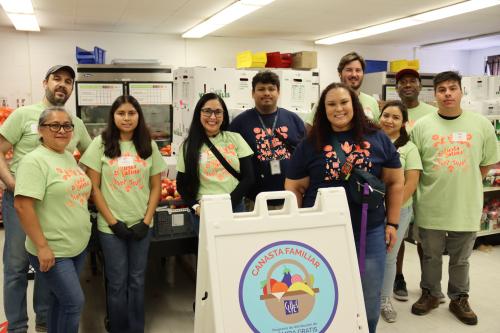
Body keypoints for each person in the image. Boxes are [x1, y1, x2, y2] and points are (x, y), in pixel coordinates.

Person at [285, 82, 404, 333]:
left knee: (369, 300)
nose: (338, 109)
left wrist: (392, 223)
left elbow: (395, 182)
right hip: (321, 234)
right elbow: (294, 187)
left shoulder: (378, 138)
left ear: (354, 105)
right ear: (323, 109)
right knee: (324, 295)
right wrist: (297, 226)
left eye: (344, 102)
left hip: (369, 231)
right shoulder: (310, 144)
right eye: (331, 104)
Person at [0, 65, 91, 333]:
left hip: (57, 205)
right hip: (22, 202)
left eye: (68, 82)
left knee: (46, 267)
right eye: (57, 79)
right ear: (45, 83)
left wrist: (78, 177)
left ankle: (44, 322)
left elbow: (91, 152)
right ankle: (17, 327)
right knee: (17, 267)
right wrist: (13, 184)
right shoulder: (23, 115)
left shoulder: (75, 125)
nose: (62, 85)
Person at [410, 71, 498, 325]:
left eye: (452, 88)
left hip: (465, 204)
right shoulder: (423, 126)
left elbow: (487, 164)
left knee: (461, 258)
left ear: (461, 92)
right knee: (430, 255)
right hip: (430, 204)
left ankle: (459, 298)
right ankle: (431, 293)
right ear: (435, 95)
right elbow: (414, 166)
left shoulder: (481, 124)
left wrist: (465, 180)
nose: (447, 93)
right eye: (442, 90)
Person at [80, 95, 166, 333]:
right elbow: (93, 187)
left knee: (137, 281)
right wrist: (113, 222)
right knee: (117, 283)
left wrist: (146, 221)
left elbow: (156, 186)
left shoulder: (148, 144)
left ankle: (136, 328)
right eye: (121, 113)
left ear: (139, 116)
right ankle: (118, 328)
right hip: (111, 229)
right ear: (113, 116)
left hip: (142, 226)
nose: (127, 118)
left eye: (131, 113)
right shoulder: (100, 143)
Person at [176, 93, 254, 234]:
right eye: (207, 111)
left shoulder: (235, 139)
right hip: (204, 212)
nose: (212, 117)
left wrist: (228, 204)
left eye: (218, 112)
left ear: (224, 115)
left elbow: (249, 177)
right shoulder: (188, 146)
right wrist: (195, 207)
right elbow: (181, 185)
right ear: (198, 113)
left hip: (234, 208)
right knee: (209, 254)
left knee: (237, 251)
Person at [392, 68, 437, 302]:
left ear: (420, 85)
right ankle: (398, 277)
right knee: (397, 234)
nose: (408, 85)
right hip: (400, 183)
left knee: (424, 237)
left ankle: (427, 284)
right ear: (397, 87)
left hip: (426, 183)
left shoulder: (432, 112)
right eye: (403, 82)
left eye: (412, 81)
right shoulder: (390, 111)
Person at [230, 70, 305, 209]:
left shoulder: (293, 120)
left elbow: (306, 155)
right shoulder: (239, 124)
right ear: (252, 93)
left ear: (278, 92)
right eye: (261, 89)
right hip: (253, 201)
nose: (267, 93)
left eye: (271, 88)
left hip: (290, 199)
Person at [377, 101, 422, 323]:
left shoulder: (409, 148)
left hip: (399, 211)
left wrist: (390, 211)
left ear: (403, 123)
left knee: (388, 256)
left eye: (396, 117)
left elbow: (411, 182)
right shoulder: (370, 141)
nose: (389, 120)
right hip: (371, 210)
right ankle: (367, 295)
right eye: (386, 115)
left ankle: (384, 299)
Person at [305, 51, 380, 131]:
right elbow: (309, 129)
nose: (354, 74)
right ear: (339, 73)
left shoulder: (372, 102)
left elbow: (377, 130)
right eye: (349, 70)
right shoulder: (327, 100)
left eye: (358, 70)